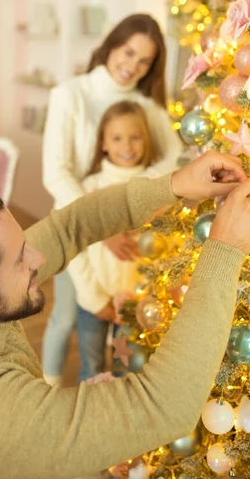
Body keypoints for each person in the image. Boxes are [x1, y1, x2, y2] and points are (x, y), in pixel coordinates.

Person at [0, 151, 250, 479]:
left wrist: (173, 185)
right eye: (20, 260)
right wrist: (225, 250)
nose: (38, 258)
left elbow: (67, 229)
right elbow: (164, 405)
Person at [42, 13, 183, 385]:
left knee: (115, 316)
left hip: (123, 227)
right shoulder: (69, 94)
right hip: (73, 222)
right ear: (111, 45)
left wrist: (133, 201)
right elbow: (55, 172)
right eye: (128, 52)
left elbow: (175, 159)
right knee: (68, 316)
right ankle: (48, 387)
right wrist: (98, 226)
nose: (132, 66)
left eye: (144, 61)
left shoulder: (145, 106)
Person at [68, 100, 160, 382]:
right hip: (92, 301)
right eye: (117, 138)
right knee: (91, 368)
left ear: (146, 140)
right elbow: (76, 249)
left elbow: (161, 249)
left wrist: (141, 298)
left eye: (135, 137)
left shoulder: (154, 186)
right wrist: (95, 299)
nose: (127, 146)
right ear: (104, 143)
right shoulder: (88, 188)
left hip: (136, 304)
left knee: (129, 371)